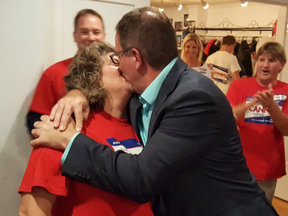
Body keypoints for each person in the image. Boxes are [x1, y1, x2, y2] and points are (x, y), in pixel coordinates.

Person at [31, 7, 279, 216]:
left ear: (136, 58)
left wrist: (71, 142)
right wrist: (79, 93)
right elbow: (106, 90)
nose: (118, 66)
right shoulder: (143, 92)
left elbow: (141, 179)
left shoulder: (193, 97)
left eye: (119, 56)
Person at [18, 42, 153, 216]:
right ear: (92, 75)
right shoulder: (63, 127)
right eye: (115, 61)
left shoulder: (140, 124)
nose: (124, 66)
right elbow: (30, 212)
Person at [226, 41, 288, 203]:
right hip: (235, 166)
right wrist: (250, 104)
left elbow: (287, 129)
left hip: (266, 170)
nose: (265, 65)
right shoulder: (239, 86)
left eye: (272, 60)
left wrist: (272, 107)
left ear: (281, 65)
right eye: (262, 60)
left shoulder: (286, 90)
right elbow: (226, 118)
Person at [26, 9, 106, 132]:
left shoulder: (117, 72)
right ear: (75, 36)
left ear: (104, 36)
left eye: (96, 32)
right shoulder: (53, 72)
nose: (91, 37)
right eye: (84, 32)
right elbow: (34, 119)